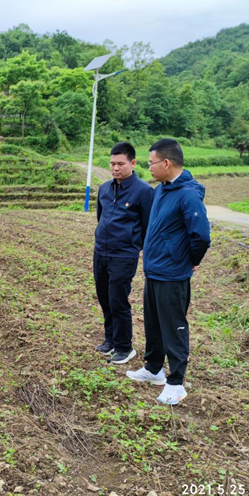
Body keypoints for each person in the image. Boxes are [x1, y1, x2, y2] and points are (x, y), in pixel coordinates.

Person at [126, 139, 211, 405]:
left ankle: (176, 383)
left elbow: (201, 236)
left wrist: (190, 260)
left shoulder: (187, 194)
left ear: (166, 163)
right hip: (154, 270)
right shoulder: (161, 190)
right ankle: (153, 369)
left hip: (173, 274)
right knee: (153, 324)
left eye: (151, 162)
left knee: (173, 327)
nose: (148, 167)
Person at [94, 142, 153, 364]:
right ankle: (110, 339)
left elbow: (148, 227)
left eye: (120, 164)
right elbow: (101, 218)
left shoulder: (144, 191)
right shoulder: (105, 189)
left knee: (118, 300)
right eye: (112, 164)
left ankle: (124, 346)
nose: (115, 168)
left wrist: (134, 246)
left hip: (124, 255)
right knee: (104, 298)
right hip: (101, 252)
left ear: (133, 163)